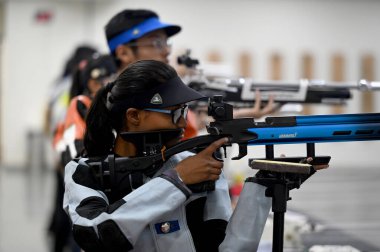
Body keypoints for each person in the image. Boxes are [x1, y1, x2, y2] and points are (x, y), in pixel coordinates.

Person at [63, 60, 328, 252]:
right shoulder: (84, 172)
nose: (183, 123)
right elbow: (97, 235)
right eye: (175, 112)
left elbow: (229, 249)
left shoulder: (197, 166)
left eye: (186, 111)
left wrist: (265, 187)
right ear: (134, 116)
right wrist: (176, 181)